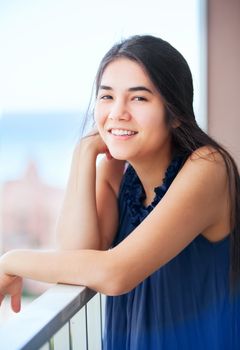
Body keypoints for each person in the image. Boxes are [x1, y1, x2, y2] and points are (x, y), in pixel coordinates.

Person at [0, 35, 240, 349]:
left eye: (139, 98)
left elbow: (116, 274)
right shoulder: (119, 176)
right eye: (107, 97)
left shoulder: (208, 167)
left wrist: (11, 260)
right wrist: (85, 154)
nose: (117, 113)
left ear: (176, 112)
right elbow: (76, 253)